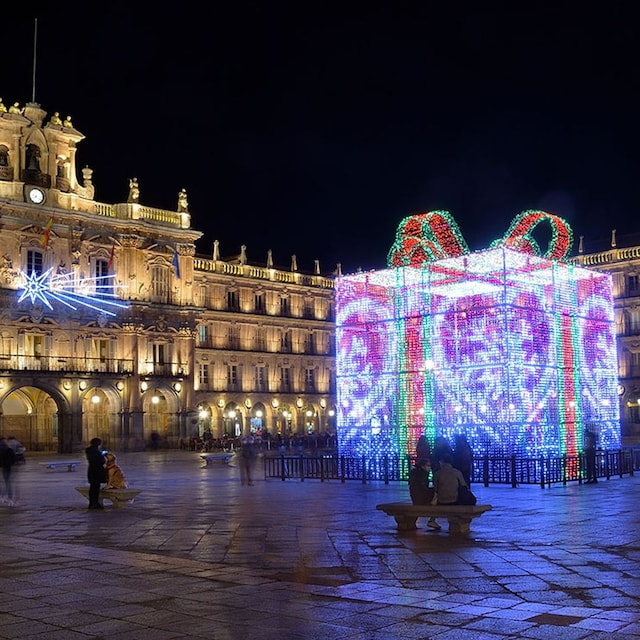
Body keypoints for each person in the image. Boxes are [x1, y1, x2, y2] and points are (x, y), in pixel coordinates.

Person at [408, 458, 440, 530]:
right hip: (421, 498)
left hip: (415, 497)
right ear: (422, 466)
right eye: (428, 465)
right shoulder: (422, 474)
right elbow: (422, 489)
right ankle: (432, 519)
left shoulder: (415, 473)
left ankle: (431, 520)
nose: (429, 467)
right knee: (437, 495)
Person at [85, 437, 107, 509]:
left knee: (92, 488)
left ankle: (92, 503)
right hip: (97, 471)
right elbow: (101, 461)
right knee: (96, 488)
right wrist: (103, 455)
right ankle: (95, 503)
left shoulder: (88, 451)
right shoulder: (97, 452)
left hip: (91, 470)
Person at [0, 436, 16, 506]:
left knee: (6, 483)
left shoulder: (7, 449)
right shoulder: (9, 449)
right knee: (7, 483)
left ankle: (3, 497)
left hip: (5, 467)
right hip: (7, 467)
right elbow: (13, 459)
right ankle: (9, 498)